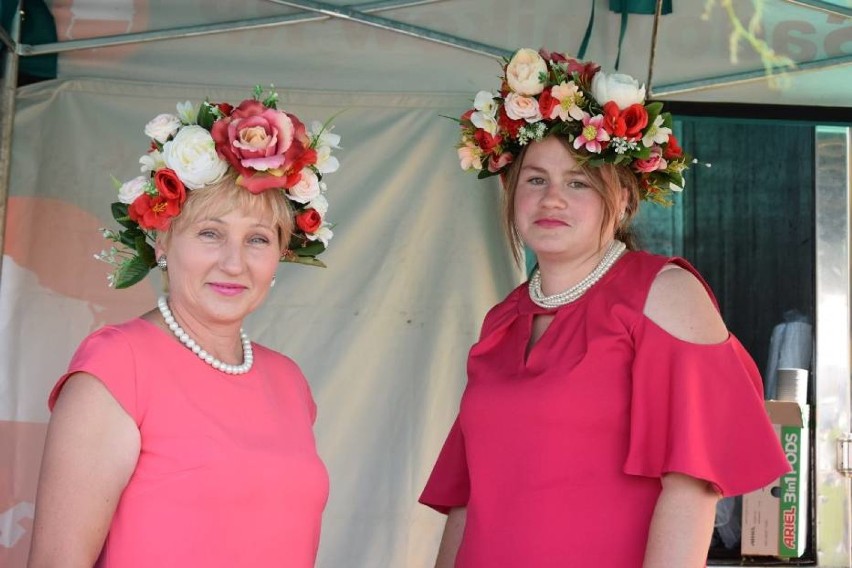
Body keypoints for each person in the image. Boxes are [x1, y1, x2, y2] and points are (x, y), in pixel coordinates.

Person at [419, 48, 791, 567]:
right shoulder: (502, 318)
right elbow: (466, 502)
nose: (552, 198)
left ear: (623, 198)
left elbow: (693, 487)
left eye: (578, 182)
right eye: (535, 179)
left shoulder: (663, 293)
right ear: (509, 190)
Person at [28, 87, 341, 567]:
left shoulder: (289, 381)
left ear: (282, 253)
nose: (233, 263)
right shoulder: (117, 369)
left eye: (257, 239)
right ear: (161, 241)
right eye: (210, 233)